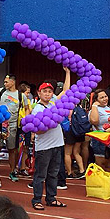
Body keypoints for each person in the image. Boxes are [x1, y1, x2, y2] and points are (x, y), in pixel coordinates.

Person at [30, 69, 70, 210]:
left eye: (50, 91)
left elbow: (66, 91)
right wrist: (50, 124)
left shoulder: (53, 103)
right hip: (44, 147)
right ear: (39, 93)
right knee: (40, 175)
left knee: (53, 174)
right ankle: (36, 199)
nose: (47, 94)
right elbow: (37, 130)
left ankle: (51, 198)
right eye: (44, 91)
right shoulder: (37, 109)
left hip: (57, 144)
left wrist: (67, 73)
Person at [0, 75, 23, 181]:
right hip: (0, 124)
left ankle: (12, 171)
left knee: (12, 149)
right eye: (4, 82)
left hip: (13, 126)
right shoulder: (1, 92)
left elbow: (26, 109)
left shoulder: (20, 95)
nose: (5, 84)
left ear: (13, 82)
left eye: (6, 82)